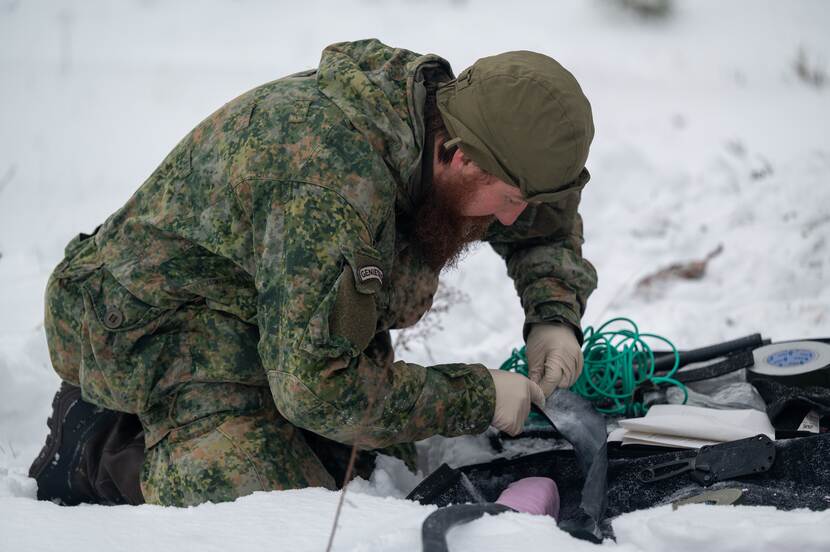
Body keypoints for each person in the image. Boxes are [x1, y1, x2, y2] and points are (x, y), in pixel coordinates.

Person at [29, 39, 597, 507]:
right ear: (459, 155)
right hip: (146, 324)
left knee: (374, 468)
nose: (512, 218)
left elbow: (543, 219)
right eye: (509, 198)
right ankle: (96, 446)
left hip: (271, 311)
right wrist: (478, 394)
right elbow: (318, 389)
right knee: (270, 503)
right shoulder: (328, 182)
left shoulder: (449, 129)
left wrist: (554, 317)